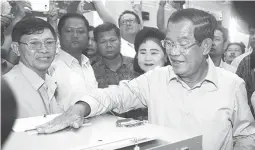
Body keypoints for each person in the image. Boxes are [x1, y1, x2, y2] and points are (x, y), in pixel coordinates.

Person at [37, 8, 255, 150]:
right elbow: (114, 96)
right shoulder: (155, 79)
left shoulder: (232, 85)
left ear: (206, 46)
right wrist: (80, 108)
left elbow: (245, 136)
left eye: (183, 44)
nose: (174, 52)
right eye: (169, 43)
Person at [3, 17, 63, 118]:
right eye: (34, 43)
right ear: (16, 48)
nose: (44, 50)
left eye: (49, 42)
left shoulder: (50, 82)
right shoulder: (7, 90)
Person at [48, 13, 98, 109]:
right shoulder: (51, 66)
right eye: (69, 31)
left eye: (81, 31)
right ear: (59, 35)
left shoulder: (87, 64)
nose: (75, 35)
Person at [92, 22, 139, 88]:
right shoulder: (91, 72)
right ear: (96, 44)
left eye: (112, 40)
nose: (108, 45)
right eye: (103, 42)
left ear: (120, 40)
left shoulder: (136, 65)